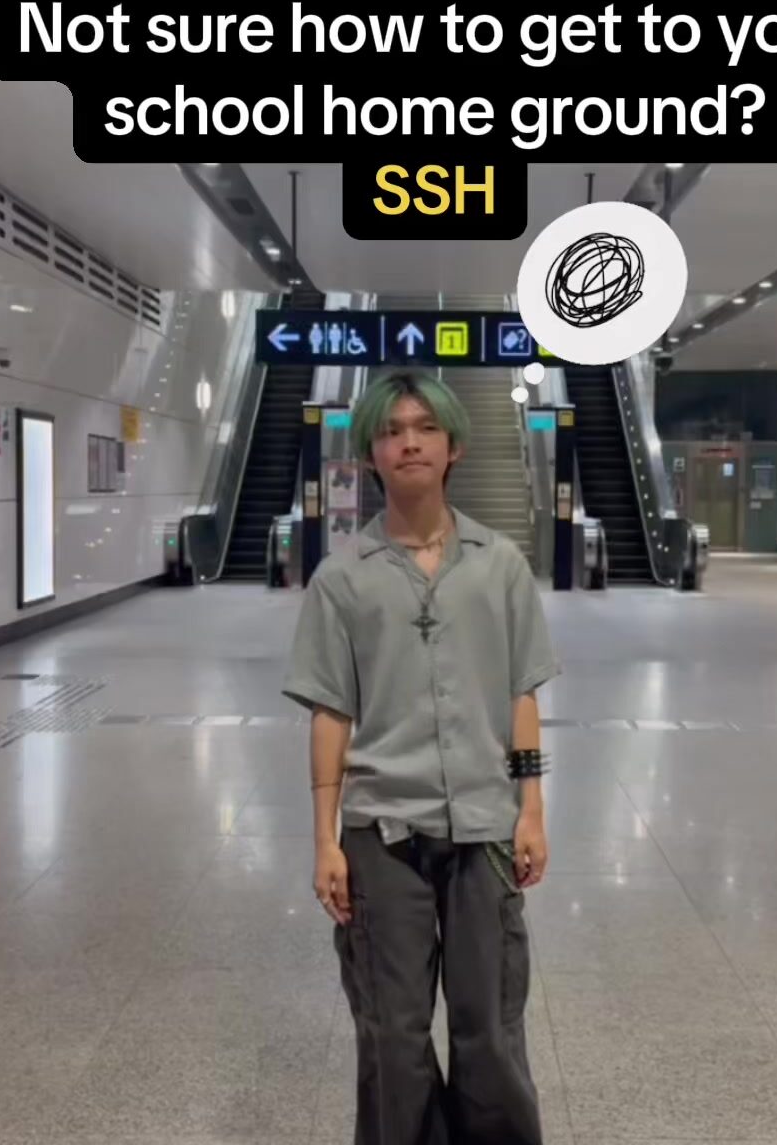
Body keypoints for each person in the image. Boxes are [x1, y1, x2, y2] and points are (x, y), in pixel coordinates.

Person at [282, 368, 561, 1145]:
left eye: (425, 428)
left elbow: (521, 693)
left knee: (490, 1028)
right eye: (391, 431)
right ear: (370, 453)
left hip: (485, 828)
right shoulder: (342, 578)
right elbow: (330, 712)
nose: (409, 443)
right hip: (381, 832)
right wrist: (325, 840)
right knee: (393, 1036)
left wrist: (531, 810)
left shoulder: (499, 565)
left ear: (453, 447)